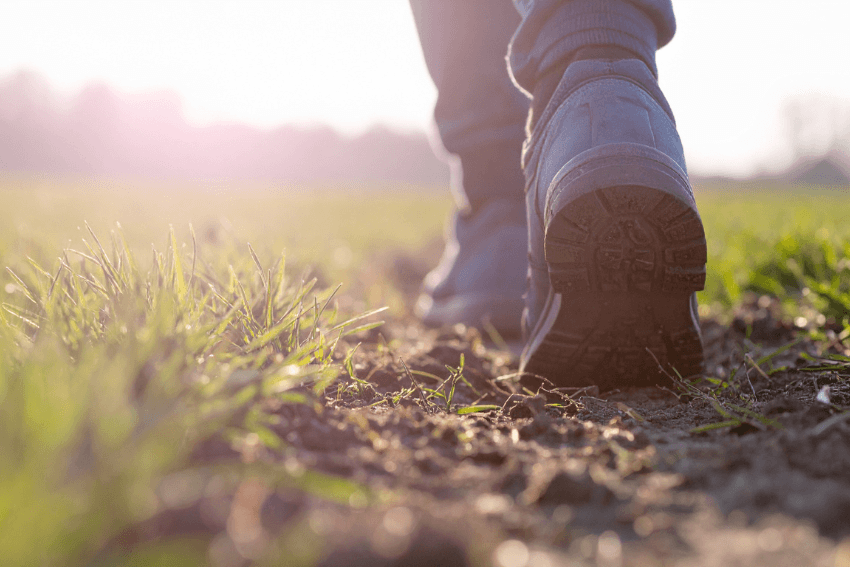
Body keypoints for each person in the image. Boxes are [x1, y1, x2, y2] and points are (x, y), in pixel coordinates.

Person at [409, 0, 706, 390]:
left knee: (500, 190)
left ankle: (500, 212)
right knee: (605, 38)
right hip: (643, 115)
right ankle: (624, 84)